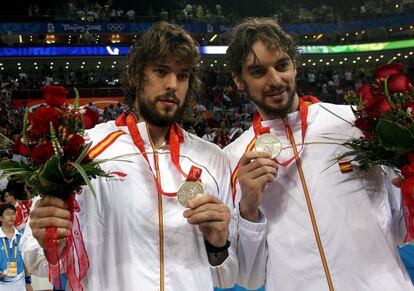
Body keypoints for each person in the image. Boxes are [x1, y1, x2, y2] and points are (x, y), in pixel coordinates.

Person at [21, 22, 237, 290]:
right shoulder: (84, 149)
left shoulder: (212, 158)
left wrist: (218, 244)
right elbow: (36, 259)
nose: (172, 85)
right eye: (161, 71)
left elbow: (227, 276)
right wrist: (48, 236)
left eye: (182, 75)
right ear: (135, 74)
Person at [225, 18, 413, 291]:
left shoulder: (354, 123)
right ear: (239, 80)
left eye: (281, 66)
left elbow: (401, 226)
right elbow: (249, 277)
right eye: (258, 72)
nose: (275, 80)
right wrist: (248, 210)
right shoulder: (234, 158)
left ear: (294, 65)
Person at [0, 204, 33, 291]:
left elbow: (26, 262)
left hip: (20, 284)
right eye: (8, 214)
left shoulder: (22, 237)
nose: (11, 216)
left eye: (13, 214)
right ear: (0, 218)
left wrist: (28, 282)